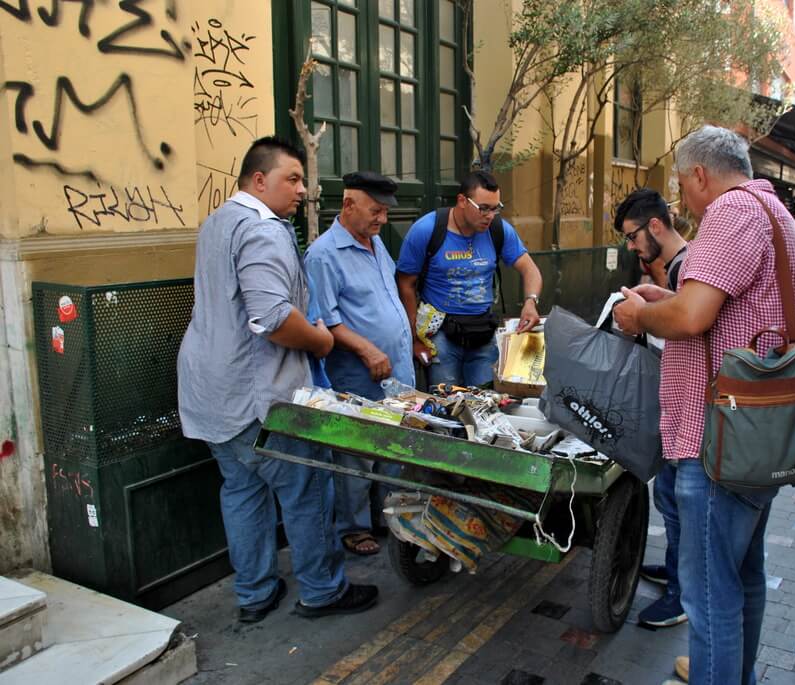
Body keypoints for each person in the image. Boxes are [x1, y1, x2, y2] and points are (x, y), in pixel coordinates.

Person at [613, 125, 795, 685]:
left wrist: (641, 315)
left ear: (700, 174)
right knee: (744, 575)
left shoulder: (729, 214)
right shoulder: (774, 213)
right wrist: (668, 298)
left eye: (681, 184)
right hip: (757, 432)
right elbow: (725, 310)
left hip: (717, 439)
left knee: (708, 598)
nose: (682, 199)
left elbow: (692, 320)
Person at [177, 137, 378, 622]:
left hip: (210, 394)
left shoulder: (216, 222)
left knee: (242, 490)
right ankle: (322, 591)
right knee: (306, 489)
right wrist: (321, 341)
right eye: (292, 178)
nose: (303, 189)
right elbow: (272, 318)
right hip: (256, 397)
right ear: (259, 180)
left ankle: (255, 593)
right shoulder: (262, 230)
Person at [305, 171, 410, 557]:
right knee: (357, 452)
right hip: (358, 372)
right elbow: (326, 319)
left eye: (385, 212)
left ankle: (389, 517)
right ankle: (352, 527)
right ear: (348, 205)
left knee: (393, 447)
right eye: (375, 210)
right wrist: (367, 349)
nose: (382, 219)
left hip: (395, 371)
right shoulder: (323, 255)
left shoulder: (375, 243)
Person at [613, 188, 688, 629]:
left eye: (632, 236)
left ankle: (682, 595)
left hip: (688, 410)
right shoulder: (678, 269)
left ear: (655, 226)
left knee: (681, 502)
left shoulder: (688, 264)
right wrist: (657, 299)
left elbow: (688, 327)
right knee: (669, 497)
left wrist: (643, 315)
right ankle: (677, 573)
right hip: (675, 406)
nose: (631, 246)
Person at [396, 171, 543, 387]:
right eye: (483, 208)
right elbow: (405, 284)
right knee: (447, 406)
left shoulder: (498, 230)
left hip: (483, 333)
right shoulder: (427, 229)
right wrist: (414, 340)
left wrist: (531, 301)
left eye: (495, 208)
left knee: (486, 402)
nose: (490, 215)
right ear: (462, 201)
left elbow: (530, 270)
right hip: (440, 334)